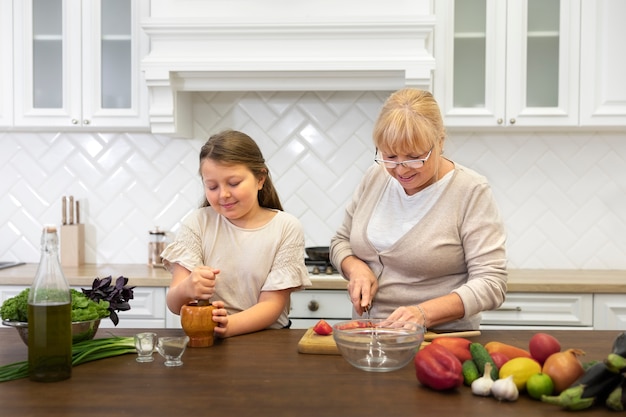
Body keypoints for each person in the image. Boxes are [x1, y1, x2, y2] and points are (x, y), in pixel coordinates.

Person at [329, 88, 507, 331]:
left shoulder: (470, 190)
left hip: (441, 343)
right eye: (390, 156)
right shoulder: (376, 177)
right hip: (372, 336)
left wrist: (424, 314)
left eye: (414, 157)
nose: (401, 170)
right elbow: (341, 241)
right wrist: (356, 268)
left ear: (440, 142)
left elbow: (491, 283)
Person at [161, 130, 311, 338]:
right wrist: (187, 288)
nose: (223, 194)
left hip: (268, 342)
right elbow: (174, 304)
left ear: (260, 179)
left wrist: (227, 325)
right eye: (212, 186)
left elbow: (271, 305)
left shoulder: (286, 227)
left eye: (233, 183)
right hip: (208, 339)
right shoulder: (197, 223)